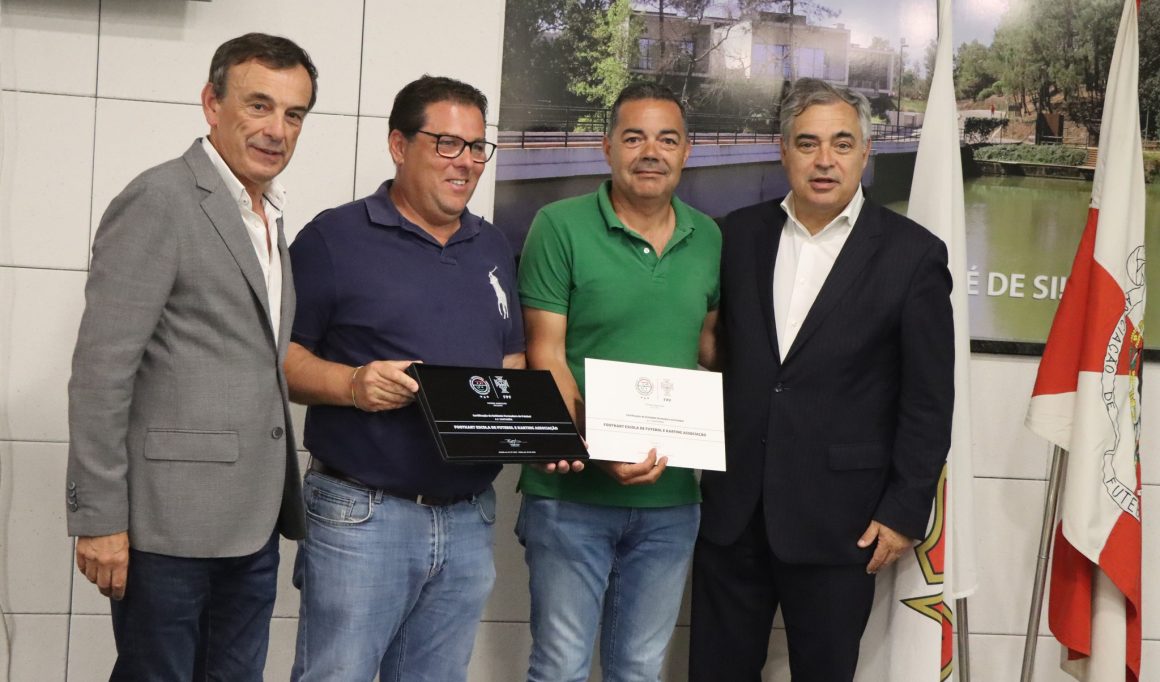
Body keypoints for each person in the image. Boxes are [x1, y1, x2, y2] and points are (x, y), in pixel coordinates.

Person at [285, 75, 572, 682]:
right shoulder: (333, 239)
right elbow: (280, 360)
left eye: (476, 147)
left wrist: (540, 435)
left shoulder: (491, 246)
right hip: (363, 514)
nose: (465, 162)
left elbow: (510, 366)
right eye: (446, 143)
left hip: (468, 519)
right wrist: (352, 384)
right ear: (398, 145)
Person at [65, 33, 317, 680]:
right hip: (167, 528)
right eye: (259, 106)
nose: (277, 130)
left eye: (293, 114)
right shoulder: (161, 199)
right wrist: (99, 519)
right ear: (212, 102)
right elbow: (100, 373)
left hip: (254, 523)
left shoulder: (268, 215)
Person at [690, 77, 954, 682]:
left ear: (866, 152)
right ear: (784, 151)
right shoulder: (736, 234)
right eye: (807, 143)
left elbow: (928, 398)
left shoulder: (913, 254)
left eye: (842, 143)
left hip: (844, 520)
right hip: (733, 511)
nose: (825, 159)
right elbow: (715, 347)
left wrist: (904, 509)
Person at [516, 82, 721, 682]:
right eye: (634, 138)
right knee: (560, 667)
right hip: (570, 495)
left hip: (671, 499)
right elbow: (545, 355)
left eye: (667, 140)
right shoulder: (558, 226)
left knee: (638, 670)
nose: (650, 152)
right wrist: (597, 445)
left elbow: (709, 348)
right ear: (606, 147)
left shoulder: (710, 237)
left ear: (687, 151)